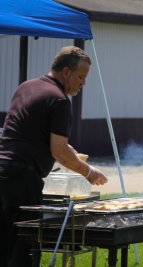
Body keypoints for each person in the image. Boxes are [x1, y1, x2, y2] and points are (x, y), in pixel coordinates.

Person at [0, 46, 108, 267]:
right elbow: (59, 152)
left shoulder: (27, 86)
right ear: (66, 72)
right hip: (21, 179)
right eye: (81, 77)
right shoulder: (59, 100)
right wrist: (89, 172)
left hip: (3, 171)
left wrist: (70, 153)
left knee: (3, 244)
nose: (83, 83)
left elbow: (37, 135)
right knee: (24, 248)